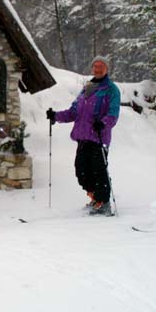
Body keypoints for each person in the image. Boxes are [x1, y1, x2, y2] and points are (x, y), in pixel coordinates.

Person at [46, 56, 121, 215]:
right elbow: (74, 112)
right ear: (92, 68)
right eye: (96, 66)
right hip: (83, 137)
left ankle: (104, 202)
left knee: (98, 171)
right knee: (81, 171)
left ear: (107, 69)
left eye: (102, 66)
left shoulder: (111, 89)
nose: (98, 69)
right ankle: (95, 198)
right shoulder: (88, 87)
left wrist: (103, 123)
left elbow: (113, 114)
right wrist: (56, 116)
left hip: (99, 138)